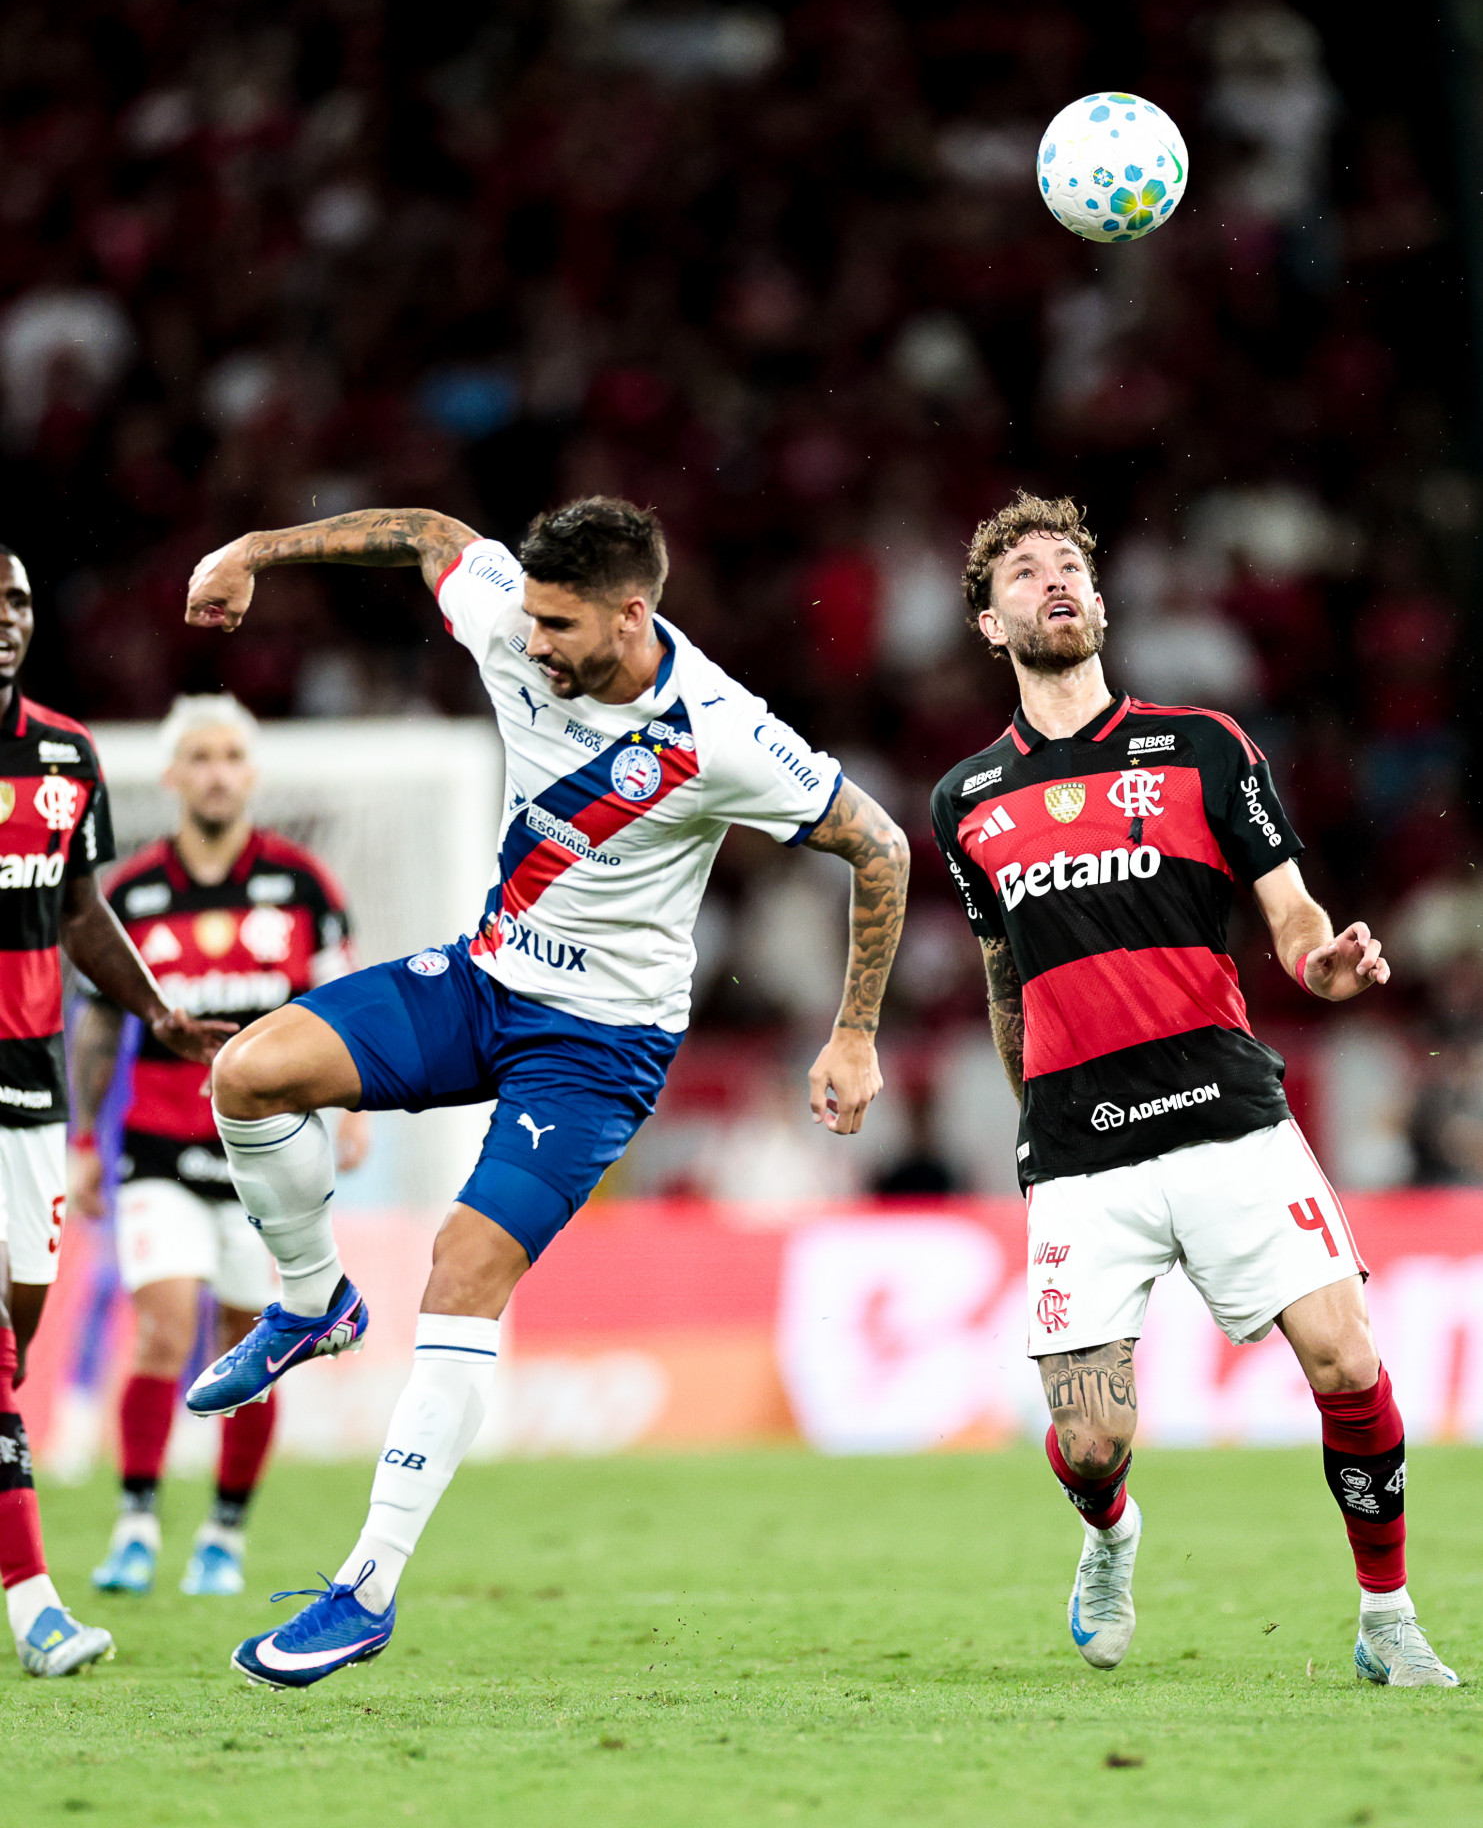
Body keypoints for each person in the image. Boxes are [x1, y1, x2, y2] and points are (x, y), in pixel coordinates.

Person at [182, 497, 909, 1687]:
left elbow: (877, 845)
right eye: (526, 613)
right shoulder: (512, 619)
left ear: (633, 615)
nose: (529, 643)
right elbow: (427, 533)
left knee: (464, 1262)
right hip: (482, 981)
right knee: (248, 1073)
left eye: (559, 625)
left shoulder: (719, 730)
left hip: (597, 1047)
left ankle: (364, 1589)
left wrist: (854, 1035)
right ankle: (313, 1303)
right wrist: (252, 548)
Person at [931, 492, 1456, 1690]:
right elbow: (1003, 977)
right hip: (1077, 1153)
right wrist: (1035, 1125)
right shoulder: (964, 802)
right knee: (1089, 1435)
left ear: (1102, 603)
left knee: (1346, 1363)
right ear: (986, 622)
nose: (1050, 580)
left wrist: (1321, 961)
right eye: (1020, 572)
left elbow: (1293, 916)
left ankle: (1387, 1619)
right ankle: (1109, 1537)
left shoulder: (1205, 747)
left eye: (1068, 564)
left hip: (1227, 1117)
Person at [69, 694, 371, 1599]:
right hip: (157, 1143)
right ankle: (133, 1524)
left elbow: (342, 1009)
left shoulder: (303, 886)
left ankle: (225, 1534)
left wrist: (352, 1111)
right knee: (163, 1329)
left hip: (271, 1157)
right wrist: (87, 1138)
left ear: (251, 773)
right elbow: (93, 1026)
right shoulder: (129, 895)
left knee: (249, 1342)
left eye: (230, 755)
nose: (215, 771)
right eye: (197, 756)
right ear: (170, 776)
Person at [0, 551, 230, 1676]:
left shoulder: (65, 754)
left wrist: (160, 1014)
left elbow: (81, 910)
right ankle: (34, 1604)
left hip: (32, 1086)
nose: (5, 622)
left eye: (19, 604)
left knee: (19, 1326)